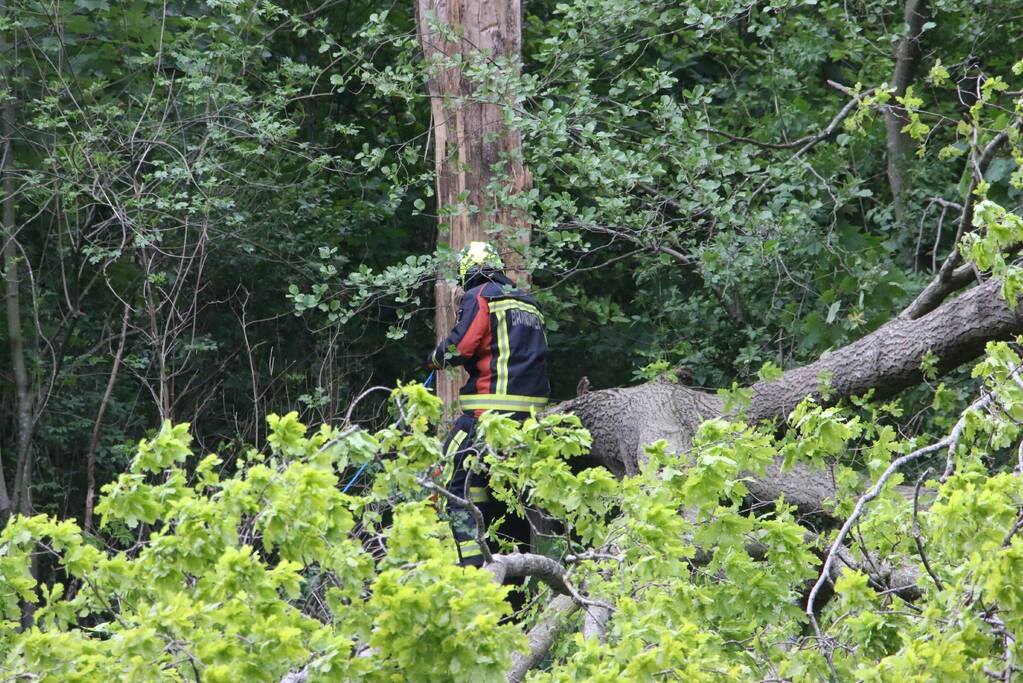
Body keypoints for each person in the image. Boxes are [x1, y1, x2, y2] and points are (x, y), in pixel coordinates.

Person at [426, 241, 550, 566]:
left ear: (467, 273)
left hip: (487, 414)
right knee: (509, 496)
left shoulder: (481, 296)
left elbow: (462, 345)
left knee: (452, 479)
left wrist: (437, 359)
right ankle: (515, 578)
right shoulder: (530, 305)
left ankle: (472, 565)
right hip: (528, 422)